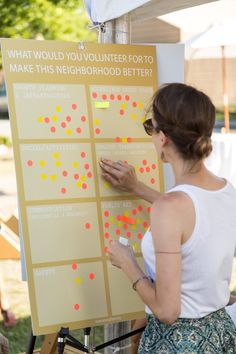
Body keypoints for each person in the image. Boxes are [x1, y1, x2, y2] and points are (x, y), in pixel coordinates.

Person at [99, 83, 236, 353]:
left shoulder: (170, 208)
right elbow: (193, 219)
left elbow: (166, 310)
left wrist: (128, 264)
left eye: (150, 127)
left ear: (163, 138)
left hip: (176, 343)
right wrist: (137, 187)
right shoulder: (226, 190)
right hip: (218, 336)